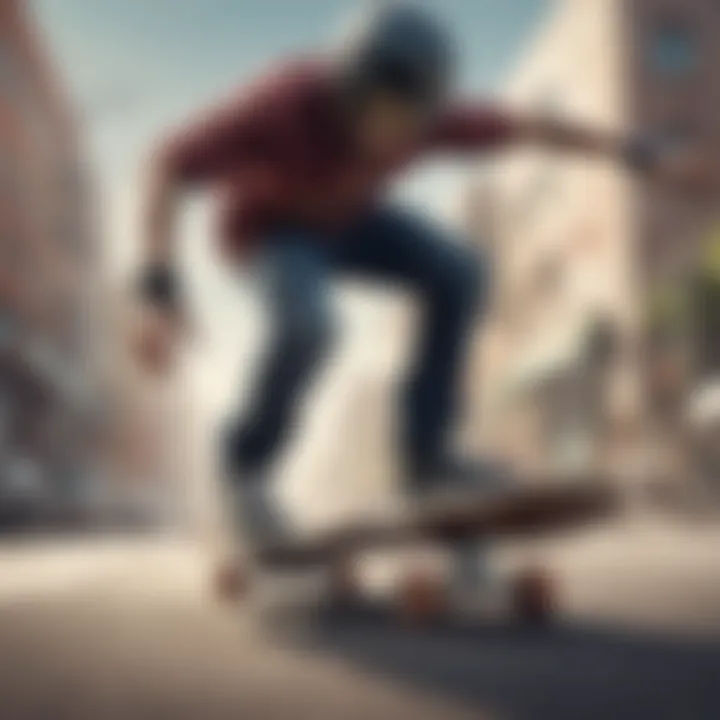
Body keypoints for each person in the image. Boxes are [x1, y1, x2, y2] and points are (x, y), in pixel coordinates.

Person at [135, 2, 712, 552]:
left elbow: (534, 127)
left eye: (409, 123)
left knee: (459, 272)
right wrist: (158, 288)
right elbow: (167, 164)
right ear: (348, 91)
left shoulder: (431, 119)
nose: (392, 137)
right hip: (270, 232)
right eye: (381, 116)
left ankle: (427, 460)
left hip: (353, 223)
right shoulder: (284, 100)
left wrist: (632, 149)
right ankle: (245, 472)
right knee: (310, 325)